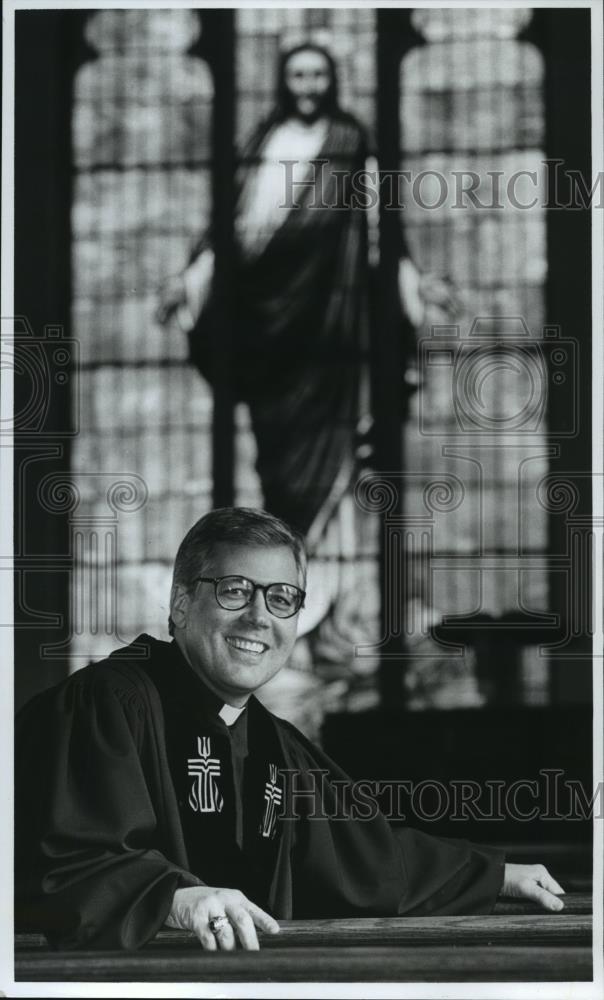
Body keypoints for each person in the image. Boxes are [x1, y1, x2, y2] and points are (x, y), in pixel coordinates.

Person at [15, 507, 565, 952]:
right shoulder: (108, 703)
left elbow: (364, 855)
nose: (260, 617)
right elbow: (67, 864)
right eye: (235, 589)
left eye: (281, 597)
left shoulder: (274, 744)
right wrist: (178, 900)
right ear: (181, 604)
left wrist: (493, 875)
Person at [157, 44, 453, 545]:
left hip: (331, 324)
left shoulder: (350, 140)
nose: (309, 85)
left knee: (334, 444)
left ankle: (328, 578)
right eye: (298, 75)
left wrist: (412, 282)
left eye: (318, 74)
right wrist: (187, 283)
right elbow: (230, 231)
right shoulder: (260, 142)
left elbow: (381, 229)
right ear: (283, 81)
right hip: (265, 326)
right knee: (278, 455)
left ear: (331, 80)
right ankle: (285, 546)